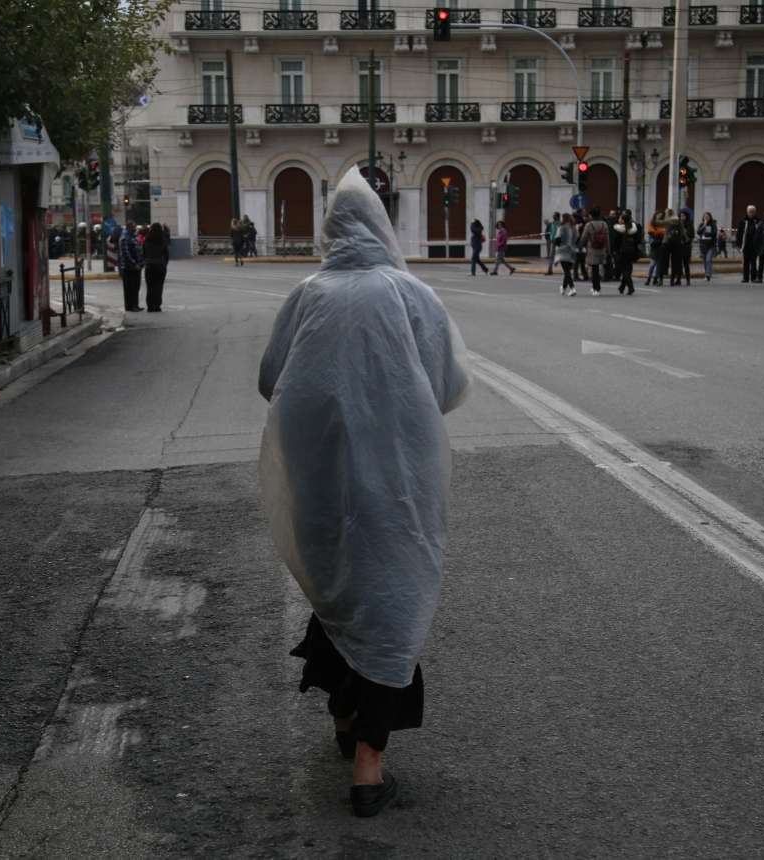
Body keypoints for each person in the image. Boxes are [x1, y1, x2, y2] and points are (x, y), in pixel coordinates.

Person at [258, 167, 470, 819]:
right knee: (391, 600)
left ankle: (346, 716)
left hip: (321, 477)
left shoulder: (307, 293)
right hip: (398, 481)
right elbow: (447, 383)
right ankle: (368, 772)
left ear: (330, 231)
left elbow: (272, 380)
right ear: (381, 227)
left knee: (341, 588)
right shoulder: (411, 295)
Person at [577, 206, 611, 296]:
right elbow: (607, 239)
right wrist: (608, 250)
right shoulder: (604, 224)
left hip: (592, 249)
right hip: (602, 249)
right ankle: (597, 287)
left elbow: (583, 237)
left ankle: (595, 288)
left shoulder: (589, 225)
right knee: (599, 269)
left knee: (594, 270)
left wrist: (580, 246)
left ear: (591, 215)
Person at [141, 222, 169, 312]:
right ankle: (157, 305)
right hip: (160, 266)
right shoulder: (162, 240)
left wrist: (146, 262)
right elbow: (166, 254)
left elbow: (143, 253)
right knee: (158, 286)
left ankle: (150, 306)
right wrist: (164, 264)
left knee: (150, 287)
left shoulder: (147, 240)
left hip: (149, 266)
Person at [118, 220, 143, 312]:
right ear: (128, 228)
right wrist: (134, 263)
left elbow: (139, 250)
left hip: (137, 267)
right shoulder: (125, 238)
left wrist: (141, 263)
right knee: (130, 288)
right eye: (133, 227)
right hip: (129, 268)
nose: (135, 229)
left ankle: (135, 305)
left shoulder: (134, 238)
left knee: (136, 287)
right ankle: (130, 306)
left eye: (135, 227)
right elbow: (126, 254)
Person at [614, 210, 640, 295]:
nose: (618, 219)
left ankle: (631, 287)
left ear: (623, 220)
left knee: (624, 270)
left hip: (622, 251)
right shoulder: (634, 228)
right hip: (632, 251)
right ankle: (622, 287)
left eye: (620, 218)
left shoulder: (619, 229)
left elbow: (616, 241)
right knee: (628, 269)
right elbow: (638, 240)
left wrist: (614, 250)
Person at [737, 205, 762, 283]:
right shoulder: (743, 221)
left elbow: (761, 233)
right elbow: (739, 233)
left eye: (753, 212)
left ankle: (754, 277)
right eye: (750, 212)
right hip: (746, 245)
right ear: (747, 212)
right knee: (746, 262)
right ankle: (745, 277)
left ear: (755, 212)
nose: (751, 213)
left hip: (755, 245)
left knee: (754, 262)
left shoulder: (758, 221)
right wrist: (738, 244)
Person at [558, 213, 577, 296]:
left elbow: (558, 238)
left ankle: (572, 288)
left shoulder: (562, 227)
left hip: (563, 250)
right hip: (572, 250)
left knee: (566, 271)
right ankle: (563, 287)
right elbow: (577, 237)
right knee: (567, 271)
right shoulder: (574, 228)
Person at [647, 210, 667, 286]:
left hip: (662, 247)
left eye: (661, 216)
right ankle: (649, 278)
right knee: (652, 264)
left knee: (660, 265)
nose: (659, 217)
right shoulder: (651, 224)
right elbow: (651, 233)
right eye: (658, 215)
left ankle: (657, 279)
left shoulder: (664, 224)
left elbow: (665, 233)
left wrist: (660, 233)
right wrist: (660, 233)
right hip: (655, 246)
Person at [697, 212, 718, 282]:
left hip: (711, 245)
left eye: (707, 216)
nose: (706, 218)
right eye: (705, 217)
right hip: (703, 245)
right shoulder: (701, 224)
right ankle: (707, 273)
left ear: (710, 217)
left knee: (708, 260)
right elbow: (698, 232)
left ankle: (708, 275)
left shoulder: (713, 224)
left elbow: (714, 233)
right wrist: (704, 226)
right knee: (704, 261)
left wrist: (706, 234)